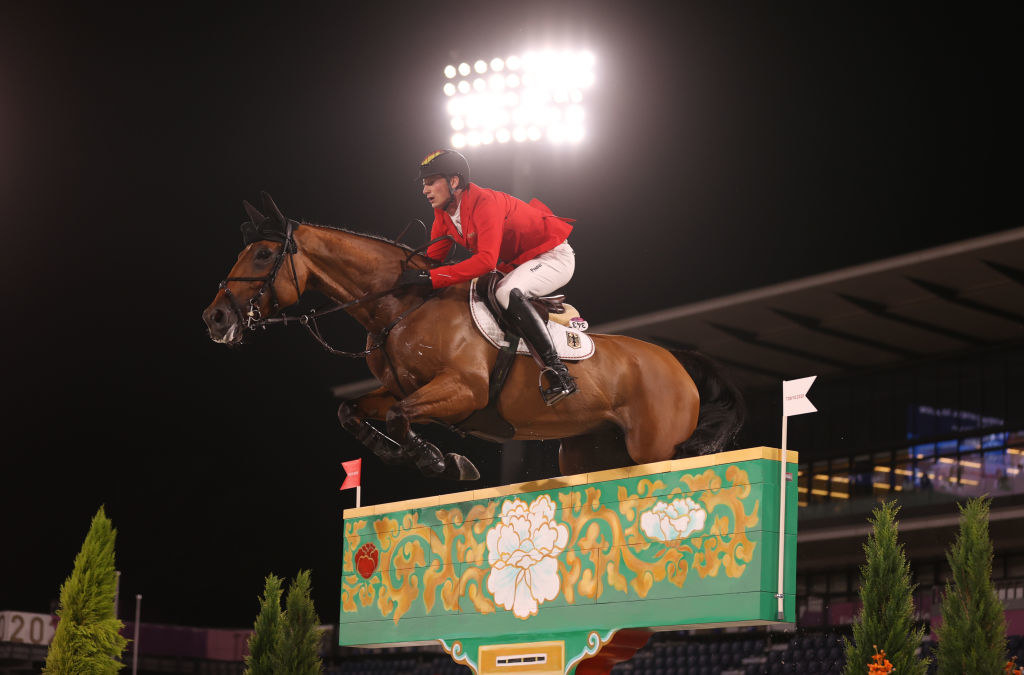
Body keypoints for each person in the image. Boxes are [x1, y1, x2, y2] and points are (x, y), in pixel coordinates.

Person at [397, 148, 577, 405]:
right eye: (424, 184)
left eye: (430, 182)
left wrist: (431, 277)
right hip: (520, 263)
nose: (424, 190)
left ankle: (559, 372)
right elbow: (432, 261)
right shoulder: (443, 213)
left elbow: (485, 261)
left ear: (454, 181)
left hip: (553, 256)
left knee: (506, 292)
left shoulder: (484, 203)